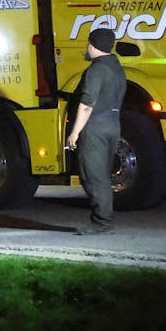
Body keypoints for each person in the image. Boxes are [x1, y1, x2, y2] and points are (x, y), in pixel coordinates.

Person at [67, 27, 127, 234]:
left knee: (93, 176)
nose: (86, 48)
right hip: (113, 125)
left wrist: (74, 132)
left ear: (93, 46)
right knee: (101, 175)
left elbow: (86, 105)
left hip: (95, 129)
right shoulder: (117, 68)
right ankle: (104, 220)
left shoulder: (96, 70)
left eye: (88, 44)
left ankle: (102, 222)